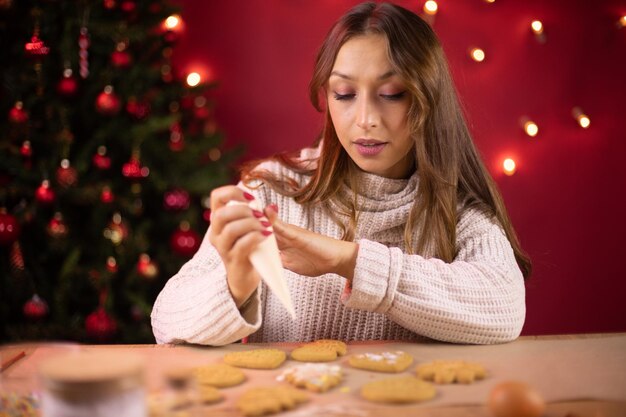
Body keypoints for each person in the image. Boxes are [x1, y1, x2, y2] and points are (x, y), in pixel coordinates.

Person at [151, 1, 531, 346]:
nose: (364, 120)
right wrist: (236, 285)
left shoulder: (456, 209)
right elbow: (167, 319)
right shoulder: (272, 189)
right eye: (345, 94)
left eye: (393, 93)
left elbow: (504, 307)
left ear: (428, 100)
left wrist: (349, 260)